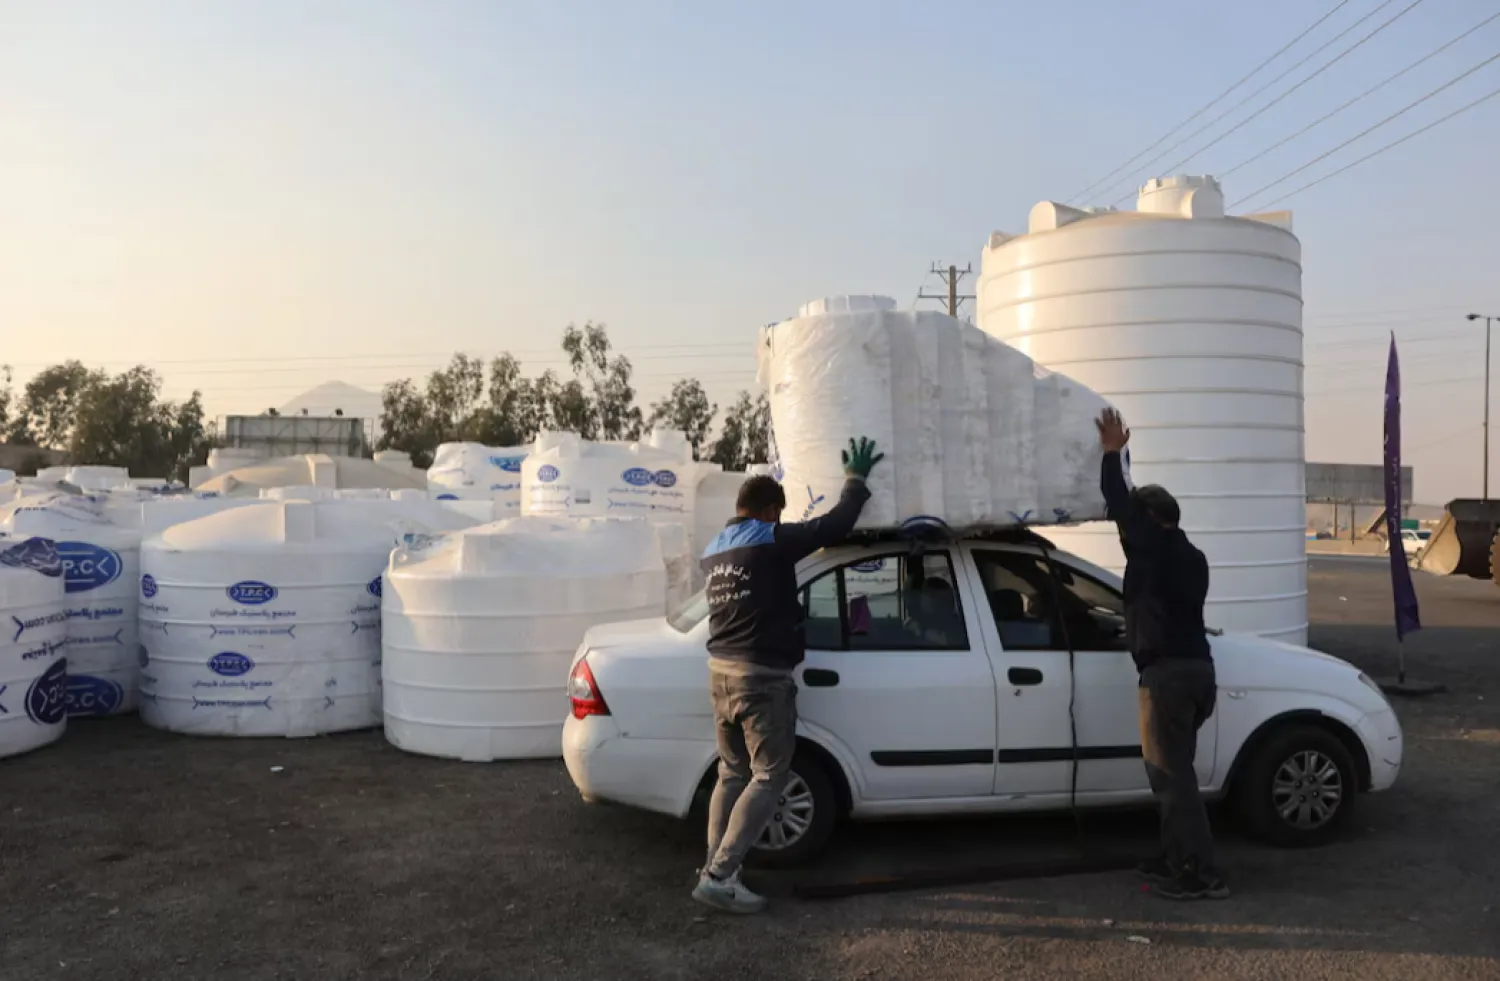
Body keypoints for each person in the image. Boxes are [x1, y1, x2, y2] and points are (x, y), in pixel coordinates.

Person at [692, 437, 884, 914]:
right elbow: (833, 526)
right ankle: (720, 876)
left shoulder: (715, 549)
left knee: (732, 773)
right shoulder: (769, 539)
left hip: (720, 673)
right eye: (778, 513)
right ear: (770, 511)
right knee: (769, 775)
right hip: (760, 678)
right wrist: (856, 483)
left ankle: (715, 867)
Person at [1096, 408, 1227, 901]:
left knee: (1172, 780)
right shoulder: (1190, 554)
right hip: (1197, 672)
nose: (1124, 529)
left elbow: (1117, 502)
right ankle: (1175, 856)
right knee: (1177, 774)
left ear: (1150, 521)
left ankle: (1201, 872)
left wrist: (1112, 452)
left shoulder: (1151, 548)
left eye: (1133, 522)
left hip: (1168, 679)